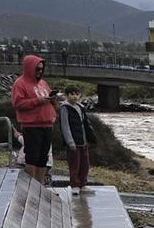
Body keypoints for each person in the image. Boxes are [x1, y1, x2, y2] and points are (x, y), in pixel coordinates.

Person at [10, 53, 62, 182]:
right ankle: (31, 185)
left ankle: (40, 184)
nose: (40, 72)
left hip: (47, 124)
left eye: (41, 69)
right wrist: (38, 100)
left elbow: (48, 101)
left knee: (43, 157)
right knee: (32, 157)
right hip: (32, 125)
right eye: (37, 69)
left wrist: (53, 100)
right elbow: (17, 103)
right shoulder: (20, 84)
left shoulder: (43, 83)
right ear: (29, 68)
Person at [58, 87, 92, 191]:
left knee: (85, 164)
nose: (75, 96)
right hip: (73, 141)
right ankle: (75, 185)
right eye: (72, 94)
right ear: (67, 95)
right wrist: (70, 141)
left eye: (77, 94)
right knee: (74, 164)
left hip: (83, 140)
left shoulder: (80, 107)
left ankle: (83, 184)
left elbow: (85, 124)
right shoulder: (65, 108)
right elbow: (65, 126)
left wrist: (89, 137)